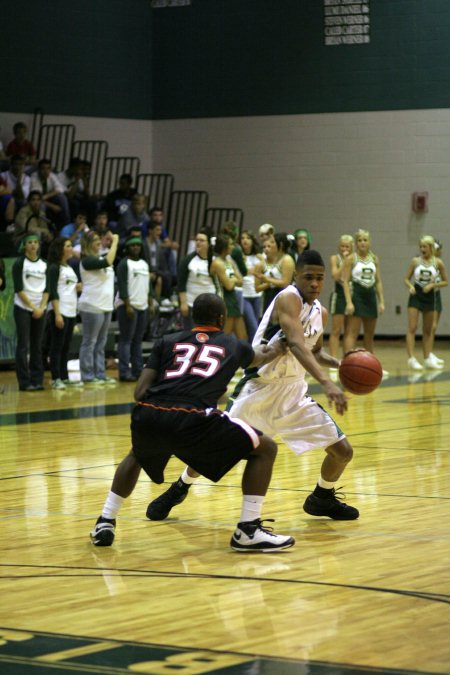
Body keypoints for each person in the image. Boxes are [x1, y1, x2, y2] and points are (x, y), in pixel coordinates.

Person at [149, 251, 359, 523]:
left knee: (342, 451)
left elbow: (314, 351)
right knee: (212, 450)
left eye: (320, 278)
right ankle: (180, 487)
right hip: (259, 390)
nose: (315, 284)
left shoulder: (322, 312)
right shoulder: (288, 298)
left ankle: (322, 497)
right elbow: (294, 343)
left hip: (294, 394)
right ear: (296, 276)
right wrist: (327, 383)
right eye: (309, 277)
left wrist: (341, 364)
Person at [90, 293, 295, 553]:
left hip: (151, 412)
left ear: (192, 317)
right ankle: (248, 530)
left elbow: (139, 392)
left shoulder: (167, 341)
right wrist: (287, 340)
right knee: (265, 448)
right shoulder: (232, 344)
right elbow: (265, 354)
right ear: (222, 319)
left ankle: (105, 521)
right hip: (193, 417)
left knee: (137, 455)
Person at [77, 229, 119, 384]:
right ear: (88, 244)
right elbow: (108, 261)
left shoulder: (100, 258)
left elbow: (107, 260)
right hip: (91, 305)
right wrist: (114, 242)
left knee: (101, 343)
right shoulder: (87, 260)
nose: (99, 242)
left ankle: (100, 374)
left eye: (98, 239)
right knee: (90, 342)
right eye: (95, 240)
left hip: (106, 305)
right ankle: (88, 376)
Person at [404, 235, 448, 371]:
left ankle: (427, 357)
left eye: (425, 246)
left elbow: (445, 281)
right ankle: (411, 358)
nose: (422, 249)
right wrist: (410, 286)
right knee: (412, 327)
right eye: (421, 246)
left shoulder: (438, 262)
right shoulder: (415, 261)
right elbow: (406, 278)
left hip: (430, 298)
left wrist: (432, 286)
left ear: (430, 248)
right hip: (416, 296)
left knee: (428, 330)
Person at [12, 233, 48, 391]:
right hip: (23, 308)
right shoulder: (20, 263)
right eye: (29, 243)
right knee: (23, 345)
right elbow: (19, 288)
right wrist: (34, 308)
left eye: (35, 242)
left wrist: (41, 307)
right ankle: (24, 382)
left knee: (37, 346)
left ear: (39, 245)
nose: (33, 245)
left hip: (41, 308)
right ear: (24, 246)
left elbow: (48, 289)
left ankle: (37, 380)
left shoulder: (44, 264)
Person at [342, 229, 386, 358]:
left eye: (365, 240)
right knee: (352, 332)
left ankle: (370, 363)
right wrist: (349, 302)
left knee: (369, 334)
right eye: (359, 240)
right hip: (357, 295)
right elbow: (345, 281)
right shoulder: (351, 258)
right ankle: (347, 361)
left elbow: (378, 281)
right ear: (356, 243)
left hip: (370, 296)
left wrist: (382, 301)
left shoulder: (374, 259)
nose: (362, 242)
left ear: (370, 242)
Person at [46, 237, 82, 389]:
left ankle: (64, 376)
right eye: (68, 246)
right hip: (59, 310)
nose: (71, 248)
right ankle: (55, 378)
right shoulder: (54, 267)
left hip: (71, 311)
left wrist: (78, 287)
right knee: (57, 346)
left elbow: (68, 287)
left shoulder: (68, 267)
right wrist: (57, 314)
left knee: (66, 346)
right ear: (60, 249)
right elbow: (52, 291)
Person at [115, 236, 152, 382]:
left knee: (137, 340)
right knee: (126, 340)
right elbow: (122, 285)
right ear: (127, 248)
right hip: (128, 306)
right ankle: (124, 372)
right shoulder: (124, 264)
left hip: (142, 305)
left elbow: (147, 285)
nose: (136, 247)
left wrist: (150, 301)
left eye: (138, 245)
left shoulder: (144, 263)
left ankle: (138, 370)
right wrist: (127, 305)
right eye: (133, 245)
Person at [177, 228, 218, 330]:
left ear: (209, 243)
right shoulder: (188, 260)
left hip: (210, 306)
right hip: (191, 304)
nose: (198, 242)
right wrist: (183, 303)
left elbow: (218, 284)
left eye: (202, 240)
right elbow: (181, 283)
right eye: (197, 240)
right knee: (191, 334)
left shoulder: (215, 261)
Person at [210, 234, 247, 339]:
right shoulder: (217, 263)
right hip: (223, 299)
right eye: (231, 244)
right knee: (225, 336)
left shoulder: (229, 261)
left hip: (233, 298)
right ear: (224, 246)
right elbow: (229, 286)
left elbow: (241, 281)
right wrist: (234, 279)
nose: (233, 247)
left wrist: (233, 280)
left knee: (243, 337)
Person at [328, 234, 354, 368]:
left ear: (351, 248)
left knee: (349, 331)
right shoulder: (335, 258)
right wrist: (344, 261)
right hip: (338, 295)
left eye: (347, 246)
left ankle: (347, 360)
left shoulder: (355, 259)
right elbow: (335, 275)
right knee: (336, 330)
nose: (345, 249)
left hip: (351, 295)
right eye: (342, 246)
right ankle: (333, 361)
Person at [254, 233, 295, 312]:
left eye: (273, 242)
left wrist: (267, 279)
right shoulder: (277, 259)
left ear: (281, 245)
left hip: (283, 297)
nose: (269, 244)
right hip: (271, 296)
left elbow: (285, 283)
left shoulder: (287, 259)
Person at [30, 158, 71, 228]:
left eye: (48, 168)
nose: (46, 171)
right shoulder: (34, 177)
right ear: (39, 169)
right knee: (41, 205)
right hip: (36, 201)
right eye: (43, 169)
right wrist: (53, 206)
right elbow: (37, 197)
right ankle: (43, 228)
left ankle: (65, 226)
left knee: (62, 198)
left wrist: (45, 196)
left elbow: (60, 189)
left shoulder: (52, 176)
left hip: (46, 198)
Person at [239, 230, 263, 341]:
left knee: (255, 324)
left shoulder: (259, 256)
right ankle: (256, 351)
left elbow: (264, 271)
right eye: (243, 238)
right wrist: (248, 271)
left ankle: (251, 350)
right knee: (253, 325)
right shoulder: (237, 256)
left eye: (248, 238)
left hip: (257, 294)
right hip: (244, 295)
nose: (245, 240)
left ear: (252, 241)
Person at [430, 239, 446, 366]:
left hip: (436, 294)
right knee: (432, 326)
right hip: (430, 297)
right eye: (438, 249)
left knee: (434, 327)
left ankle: (430, 352)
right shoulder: (427, 263)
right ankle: (428, 354)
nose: (440, 251)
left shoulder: (438, 264)